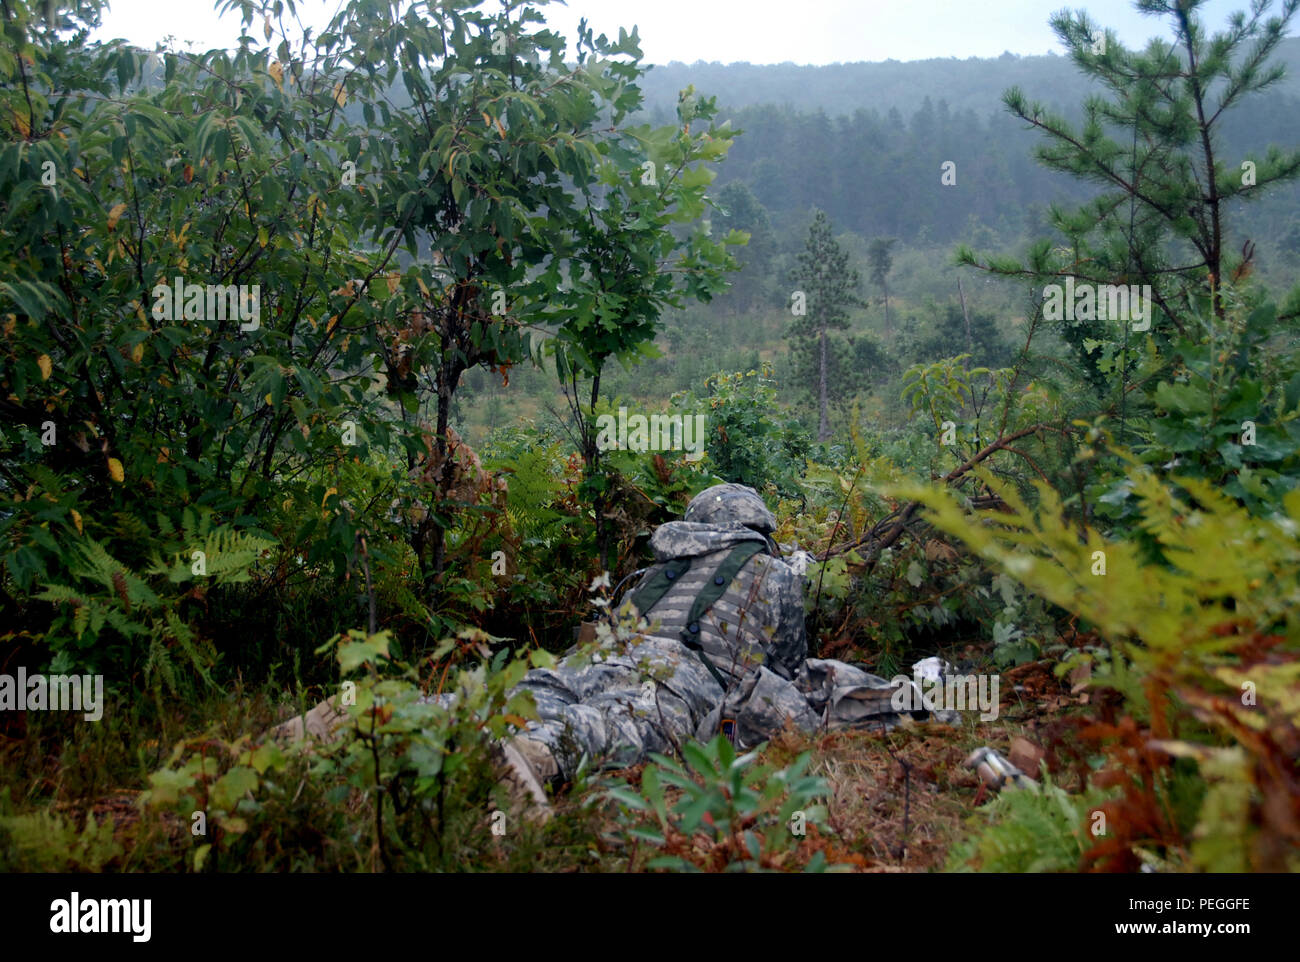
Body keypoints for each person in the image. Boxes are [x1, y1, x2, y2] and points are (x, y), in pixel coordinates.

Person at [272, 483, 927, 817]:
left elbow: (608, 637)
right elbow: (785, 667)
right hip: (686, 677)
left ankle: (384, 716)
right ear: (755, 527)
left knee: (547, 689)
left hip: (608, 656)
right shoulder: (772, 573)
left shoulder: (653, 571)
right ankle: (533, 754)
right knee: (619, 725)